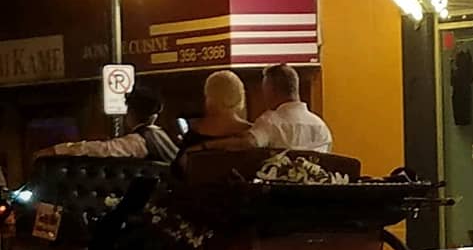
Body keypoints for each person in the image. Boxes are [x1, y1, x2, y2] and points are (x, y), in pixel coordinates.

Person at [197, 63, 332, 153]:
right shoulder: (321, 127)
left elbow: (247, 143)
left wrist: (206, 146)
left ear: (271, 89)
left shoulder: (271, 121)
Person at [35, 83, 179, 163]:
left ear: (130, 113)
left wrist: (56, 150)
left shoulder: (138, 141)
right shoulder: (161, 136)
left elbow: (101, 149)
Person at [176, 70, 252, 155]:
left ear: (209, 96)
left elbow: (179, 166)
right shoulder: (253, 134)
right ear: (240, 94)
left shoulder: (192, 137)